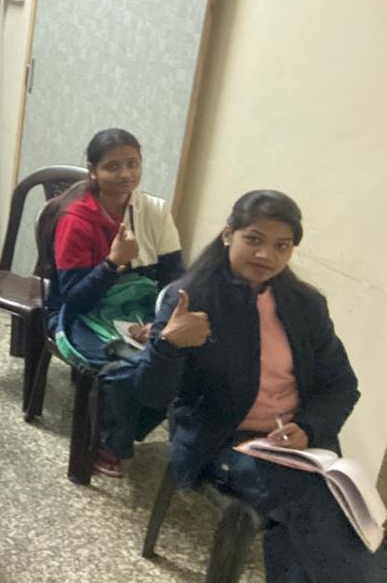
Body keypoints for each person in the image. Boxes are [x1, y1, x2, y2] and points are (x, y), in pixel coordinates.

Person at [108, 191, 381, 581]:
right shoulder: (190, 299)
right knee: (311, 499)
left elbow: (341, 384)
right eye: (254, 239)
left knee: (331, 503)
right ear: (228, 235)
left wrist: (309, 428)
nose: (266, 255)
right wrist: (168, 345)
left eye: (281, 246)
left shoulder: (306, 305)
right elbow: (151, 397)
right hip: (221, 440)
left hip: (297, 446)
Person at [47, 128, 184, 476]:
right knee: (119, 365)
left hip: (141, 306)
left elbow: (174, 278)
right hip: (82, 311)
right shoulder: (76, 220)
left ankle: (130, 426)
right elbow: (74, 299)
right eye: (112, 166)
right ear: (93, 171)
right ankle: (106, 441)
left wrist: (161, 321)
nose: (126, 174)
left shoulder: (154, 211)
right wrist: (112, 263)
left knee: (182, 355)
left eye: (133, 164)